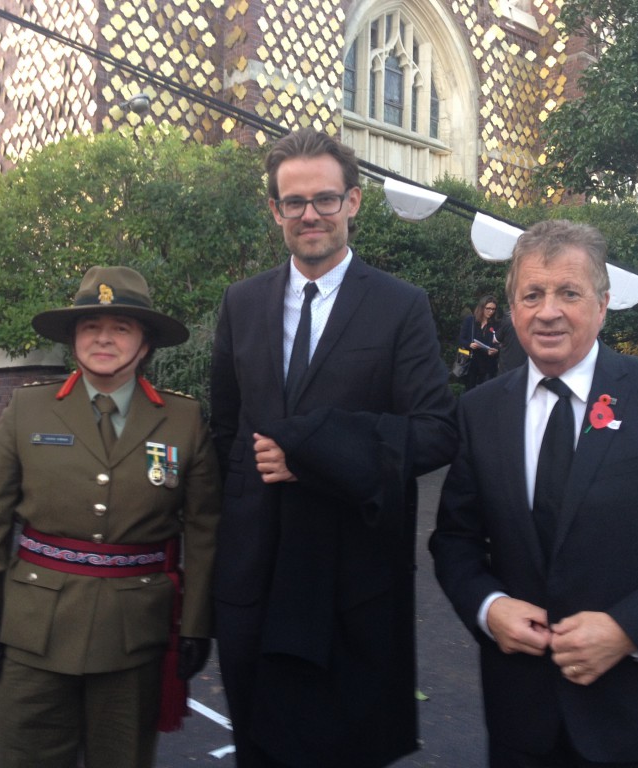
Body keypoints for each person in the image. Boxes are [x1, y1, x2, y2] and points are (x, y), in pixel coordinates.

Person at [430, 220, 638, 768]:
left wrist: (628, 629)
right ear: (513, 310)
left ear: (603, 306)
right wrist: (489, 608)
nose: (548, 311)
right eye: (532, 294)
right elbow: (455, 540)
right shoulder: (480, 410)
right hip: (522, 720)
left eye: (569, 293)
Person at [209, 127, 457, 768]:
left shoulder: (400, 306)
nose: (310, 214)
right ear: (275, 210)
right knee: (258, 748)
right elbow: (226, 432)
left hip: (349, 576)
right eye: (294, 202)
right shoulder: (241, 303)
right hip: (255, 571)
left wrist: (315, 455)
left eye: (324, 198)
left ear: (352, 202)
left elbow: (435, 430)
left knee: (342, 749)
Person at [0, 266, 221, 768]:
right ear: (73, 339)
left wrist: (195, 625)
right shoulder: (28, 409)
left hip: (135, 637)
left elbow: (205, 530)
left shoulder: (183, 419)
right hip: (32, 633)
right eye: (90, 326)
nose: (104, 338)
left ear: (145, 343)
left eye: (121, 327)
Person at [458, 294, 500, 389]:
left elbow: (500, 343)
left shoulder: (496, 324)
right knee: (470, 390)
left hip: (488, 364)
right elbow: (461, 339)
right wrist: (469, 344)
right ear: (482, 308)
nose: (491, 311)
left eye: (493, 309)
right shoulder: (470, 321)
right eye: (488, 308)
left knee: (486, 390)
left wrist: (496, 350)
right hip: (471, 362)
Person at [494, 308, 527, 373]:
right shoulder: (532, 323)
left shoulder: (508, 321)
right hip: (524, 363)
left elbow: (496, 339)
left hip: (507, 362)